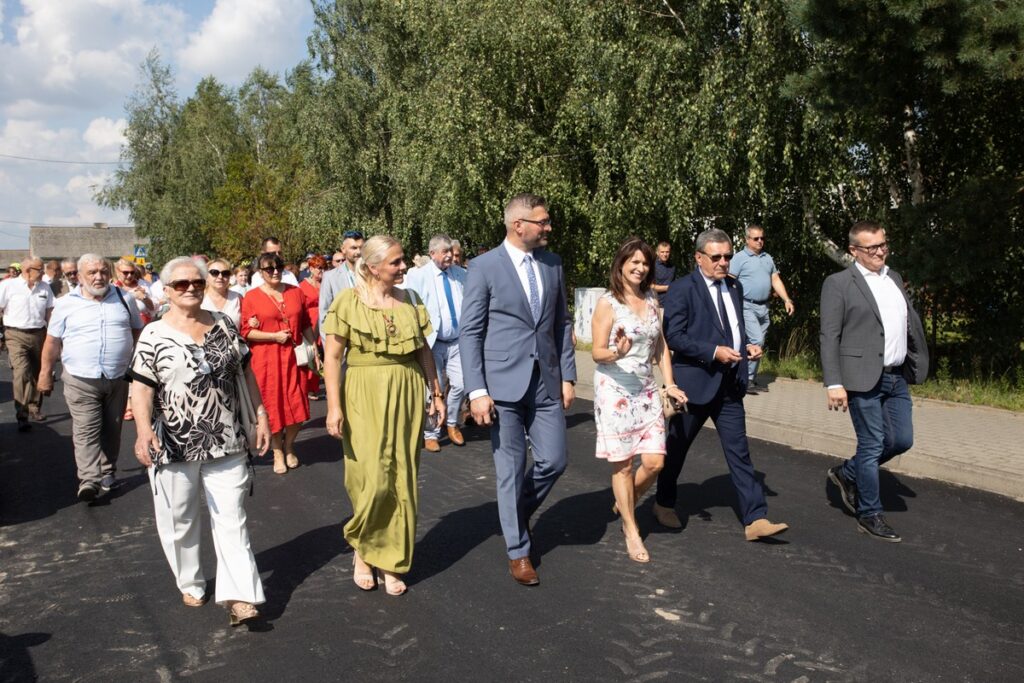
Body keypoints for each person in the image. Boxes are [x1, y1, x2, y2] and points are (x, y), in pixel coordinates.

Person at [129, 257, 270, 626]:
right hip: (173, 444)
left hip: (226, 439)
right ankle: (190, 580)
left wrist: (260, 415)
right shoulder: (153, 335)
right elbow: (141, 389)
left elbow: (245, 372)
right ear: (166, 291)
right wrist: (143, 431)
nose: (190, 288)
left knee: (232, 519)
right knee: (180, 519)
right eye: (181, 284)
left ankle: (239, 595)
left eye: (196, 282)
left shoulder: (224, 324)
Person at [460, 193, 576, 586]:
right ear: (518, 225)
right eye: (542, 221)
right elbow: (470, 332)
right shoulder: (484, 267)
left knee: (554, 461)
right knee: (510, 469)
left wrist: (568, 375)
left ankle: (515, 512)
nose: (548, 227)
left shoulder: (552, 263)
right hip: (501, 385)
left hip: (544, 382)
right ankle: (519, 551)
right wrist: (476, 390)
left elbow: (561, 323)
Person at [323, 235, 443, 597]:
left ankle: (391, 559)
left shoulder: (411, 300)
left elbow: (423, 351)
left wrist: (435, 392)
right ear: (374, 267)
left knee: (402, 476)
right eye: (396, 262)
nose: (404, 266)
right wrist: (333, 406)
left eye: (402, 260)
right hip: (363, 390)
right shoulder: (348, 301)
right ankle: (363, 548)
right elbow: (331, 358)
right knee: (371, 477)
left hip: (406, 389)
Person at [655, 228, 789, 541]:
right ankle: (663, 502)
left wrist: (745, 350)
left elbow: (733, 328)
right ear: (698, 257)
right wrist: (714, 352)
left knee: (740, 452)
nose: (723, 262)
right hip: (693, 385)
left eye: (727, 256)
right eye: (716, 257)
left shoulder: (734, 286)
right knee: (675, 450)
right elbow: (674, 336)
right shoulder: (681, 288)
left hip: (729, 385)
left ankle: (755, 519)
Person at [820, 220, 928, 543]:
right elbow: (829, 336)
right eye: (872, 248)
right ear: (854, 251)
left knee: (900, 440)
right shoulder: (838, 283)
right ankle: (869, 513)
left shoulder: (892, 277)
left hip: (895, 377)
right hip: (860, 378)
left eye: (883, 244)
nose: (880, 251)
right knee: (871, 444)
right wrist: (833, 382)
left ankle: (846, 473)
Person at [592, 238, 687, 563]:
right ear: (620, 265)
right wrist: (616, 352)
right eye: (633, 261)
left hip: (646, 391)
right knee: (622, 466)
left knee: (655, 462)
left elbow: (660, 347)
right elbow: (596, 352)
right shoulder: (608, 303)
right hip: (615, 392)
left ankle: (627, 500)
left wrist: (670, 384)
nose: (640, 267)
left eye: (644, 263)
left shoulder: (651, 300)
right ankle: (631, 530)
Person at [38, 254, 143, 501]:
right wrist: (45, 373)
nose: (99, 277)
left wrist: (137, 363)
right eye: (92, 272)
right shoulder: (66, 304)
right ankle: (89, 479)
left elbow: (138, 331)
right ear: (80, 276)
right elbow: (52, 341)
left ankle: (107, 473)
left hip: (117, 377)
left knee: (112, 429)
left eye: (103, 271)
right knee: (86, 430)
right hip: (80, 379)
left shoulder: (124, 298)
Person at [241, 252, 317, 474]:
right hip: (266, 360)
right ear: (260, 272)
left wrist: (314, 347)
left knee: (297, 403)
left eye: (279, 267)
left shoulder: (296, 293)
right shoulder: (252, 297)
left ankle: (289, 444)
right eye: (268, 269)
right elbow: (246, 331)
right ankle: (277, 451)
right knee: (272, 406)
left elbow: (305, 323)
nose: (275, 272)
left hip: (293, 358)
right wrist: (273, 336)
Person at [403, 234, 468, 452]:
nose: (450, 255)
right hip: (432, 343)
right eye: (445, 252)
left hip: (458, 341)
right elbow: (410, 307)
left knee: (461, 384)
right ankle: (431, 432)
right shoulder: (418, 276)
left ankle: (451, 422)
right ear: (432, 254)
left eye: (451, 251)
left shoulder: (461, 274)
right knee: (434, 388)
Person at [729, 224, 795, 390]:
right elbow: (729, 281)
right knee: (756, 340)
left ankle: (749, 377)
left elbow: (775, 280)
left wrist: (786, 299)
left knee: (760, 342)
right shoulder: (739, 258)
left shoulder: (767, 258)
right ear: (747, 239)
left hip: (764, 307)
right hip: (746, 306)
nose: (760, 241)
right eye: (756, 238)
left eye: (762, 238)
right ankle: (746, 379)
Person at [0, 257, 55, 431]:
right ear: (27, 270)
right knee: (22, 372)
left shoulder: (44, 287)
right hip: (15, 334)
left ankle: (34, 407)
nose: (42, 273)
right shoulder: (8, 286)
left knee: (38, 372)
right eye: (39, 269)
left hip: (39, 334)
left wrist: (55, 336)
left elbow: (50, 312)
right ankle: (22, 414)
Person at [319, 230, 364, 340]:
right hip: (343, 343)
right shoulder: (330, 277)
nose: (358, 252)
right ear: (343, 249)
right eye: (353, 248)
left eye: (361, 247)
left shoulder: (374, 274)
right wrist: (332, 351)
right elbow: (324, 315)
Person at [298, 255, 327, 399]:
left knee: (325, 353)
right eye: (319, 268)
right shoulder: (302, 286)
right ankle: (309, 387)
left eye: (324, 267)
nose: (322, 271)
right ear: (311, 269)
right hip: (310, 321)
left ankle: (316, 386)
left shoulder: (326, 283)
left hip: (324, 321)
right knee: (311, 352)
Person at [200, 258, 243, 328]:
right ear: (206, 276)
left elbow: (245, 326)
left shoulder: (238, 298)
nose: (220, 277)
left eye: (225, 273)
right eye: (214, 273)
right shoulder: (199, 299)